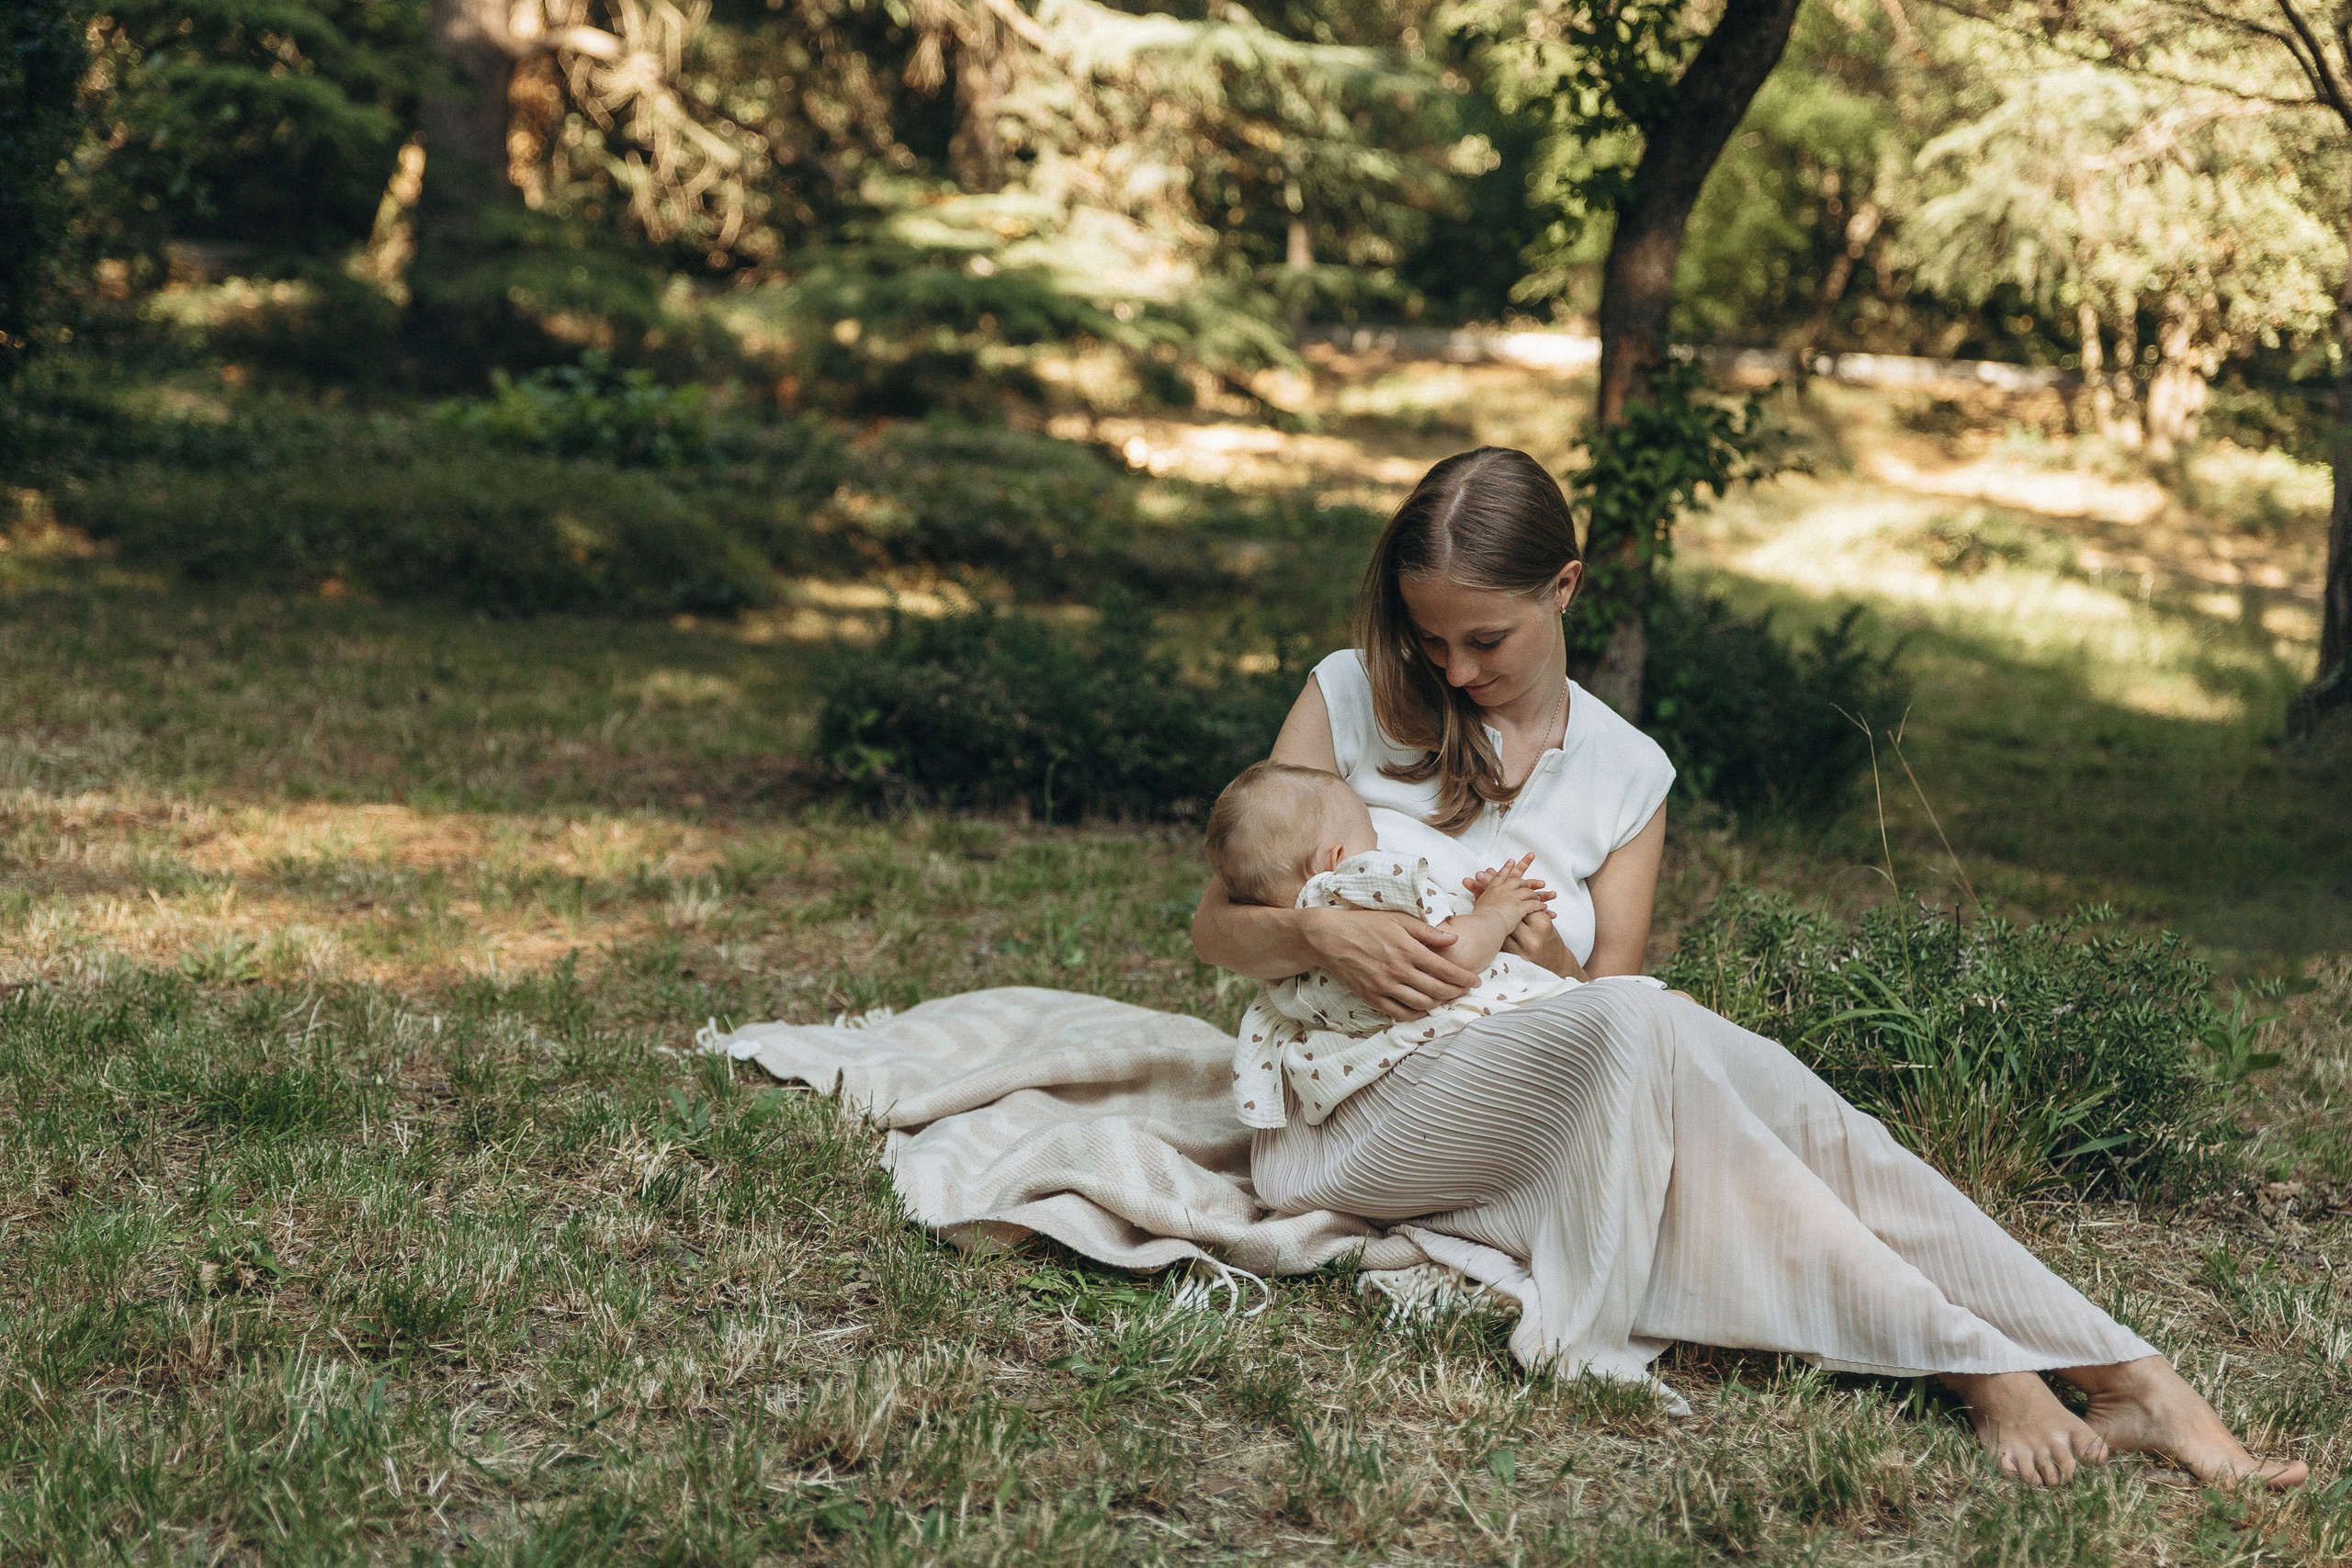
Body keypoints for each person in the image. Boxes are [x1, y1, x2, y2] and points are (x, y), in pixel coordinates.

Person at [1190, 445, 2306, 1490]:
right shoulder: (1346, 695)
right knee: (1655, 1028)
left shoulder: (1629, 771)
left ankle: (2129, 1375)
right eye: (1431, 641)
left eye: (1484, 640)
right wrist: (1318, 933)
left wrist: (1538, 951)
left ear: (1563, 590)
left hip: (1543, 1092)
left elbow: (1604, 991)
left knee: (1782, 1099)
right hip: (1352, 1120)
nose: (1453, 667)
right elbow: (1216, 927)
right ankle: (1980, 1367)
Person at [1203, 760, 1583, 1130]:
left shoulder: (1285, 959)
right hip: (1449, 1066)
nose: (1378, 847)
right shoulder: (1353, 886)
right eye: (1372, 837)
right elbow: (1447, 957)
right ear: (1338, 858)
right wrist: (1495, 914)